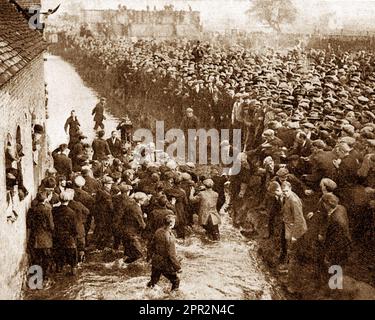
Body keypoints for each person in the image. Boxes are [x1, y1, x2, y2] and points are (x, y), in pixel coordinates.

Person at [280, 181, 308, 294]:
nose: (285, 193)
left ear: (290, 189)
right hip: (289, 226)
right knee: (288, 249)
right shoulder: (287, 197)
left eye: (286, 191)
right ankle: (287, 269)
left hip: (295, 229)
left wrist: (295, 236)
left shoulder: (294, 200)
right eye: (283, 191)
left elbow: (299, 219)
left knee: (292, 252)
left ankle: (292, 282)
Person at [147, 215, 181, 291]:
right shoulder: (170, 237)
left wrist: (149, 257)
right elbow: (171, 255)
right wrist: (178, 267)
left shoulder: (158, 231)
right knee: (176, 281)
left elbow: (151, 245)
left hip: (156, 261)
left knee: (153, 281)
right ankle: (172, 297)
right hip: (165, 263)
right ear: (171, 224)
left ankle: (144, 294)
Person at [28, 191, 54, 277]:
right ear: (45, 199)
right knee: (46, 258)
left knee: (36, 258)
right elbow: (51, 226)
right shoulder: (47, 210)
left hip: (34, 238)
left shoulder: (31, 210)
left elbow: (29, 224)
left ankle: (36, 278)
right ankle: (45, 276)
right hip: (45, 239)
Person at [53, 191, 78, 275]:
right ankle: (73, 270)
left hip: (57, 236)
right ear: (69, 200)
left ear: (60, 199)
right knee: (72, 256)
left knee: (58, 255)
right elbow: (74, 228)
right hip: (68, 237)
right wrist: (74, 236)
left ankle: (58, 269)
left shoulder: (55, 210)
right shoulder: (72, 213)